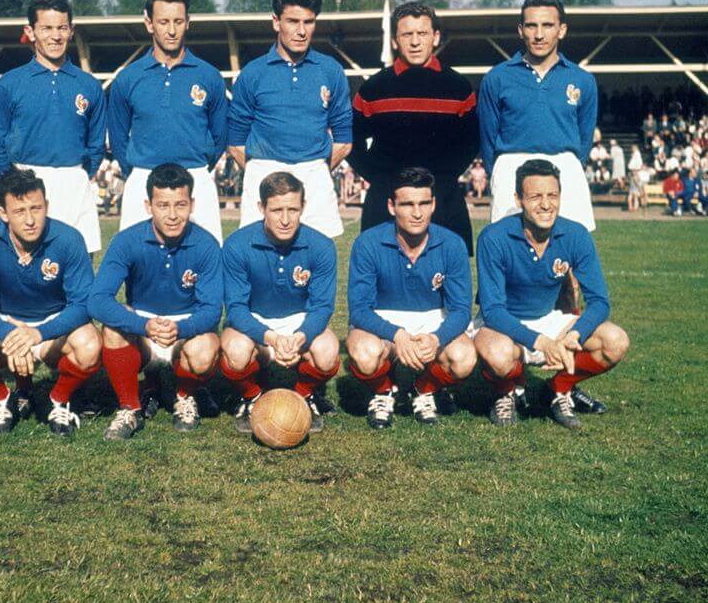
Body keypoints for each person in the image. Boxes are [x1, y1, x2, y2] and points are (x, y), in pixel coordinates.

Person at [474, 159, 630, 428]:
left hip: (549, 318)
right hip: (502, 323)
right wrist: (544, 343)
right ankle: (507, 392)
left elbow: (599, 302)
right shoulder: (493, 237)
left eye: (552, 195)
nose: (546, 205)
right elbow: (493, 311)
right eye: (535, 196)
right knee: (499, 355)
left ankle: (558, 388)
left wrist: (573, 336)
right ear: (518, 199)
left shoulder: (576, 234)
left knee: (615, 341)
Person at [0, 168, 101, 436]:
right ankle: (1, 397)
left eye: (36, 208)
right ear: (3, 214)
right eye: (20, 211)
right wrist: (11, 334)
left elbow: (83, 304)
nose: (30, 220)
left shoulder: (68, 239)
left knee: (90, 345)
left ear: (47, 206)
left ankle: (59, 400)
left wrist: (37, 334)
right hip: (5, 323)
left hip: (52, 324)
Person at [88, 163, 222, 440]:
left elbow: (211, 311)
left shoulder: (206, 244)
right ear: (149, 205)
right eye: (163, 205)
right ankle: (129, 406)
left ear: (192, 204)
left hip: (185, 329)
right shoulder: (127, 240)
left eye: (180, 205)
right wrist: (143, 324)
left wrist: (181, 330)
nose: (172, 215)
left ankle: (183, 396)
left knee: (208, 346)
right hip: (143, 330)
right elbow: (97, 300)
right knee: (112, 327)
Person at [345, 167, 475, 429]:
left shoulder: (452, 243)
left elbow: (461, 310)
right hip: (384, 317)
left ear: (433, 204)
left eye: (424, 203)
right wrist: (397, 335)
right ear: (392, 206)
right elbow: (359, 310)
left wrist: (436, 338)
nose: (417, 213)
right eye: (407, 204)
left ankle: (424, 390)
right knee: (364, 353)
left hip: (433, 319)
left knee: (464, 358)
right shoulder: (368, 242)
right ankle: (383, 392)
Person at [349, 2, 479, 254]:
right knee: (383, 276)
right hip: (386, 200)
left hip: (443, 198)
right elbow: (351, 139)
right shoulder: (374, 88)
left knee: (448, 279)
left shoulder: (459, 87)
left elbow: (471, 141)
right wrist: (378, 177)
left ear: (436, 37)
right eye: (407, 34)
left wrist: (444, 177)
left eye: (422, 33)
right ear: (395, 40)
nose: (415, 42)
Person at [0, 0, 106, 253]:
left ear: (71, 31)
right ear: (30, 31)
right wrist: (15, 184)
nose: (56, 36)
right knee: (29, 267)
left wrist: (81, 174)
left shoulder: (88, 85)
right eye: (47, 28)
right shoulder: (11, 83)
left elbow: (95, 145)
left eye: (62, 28)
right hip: (26, 182)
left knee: (78, 266)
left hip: (73, 181)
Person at [227, 0, 352, 238]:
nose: (301, 31)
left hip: (314, 176)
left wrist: (315, 168)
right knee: (260, 261)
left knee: (318, 260)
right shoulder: (252, 73)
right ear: (276, 22)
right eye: (293, 21)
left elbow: (344, 139)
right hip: (264, 173)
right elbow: (235, 142)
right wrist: (263, 173)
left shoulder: (331, 71)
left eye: (309, 22)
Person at [219, 171, 340, 434]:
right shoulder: (237, 245)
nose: (285, 220)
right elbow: (236, 308)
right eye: (276, 210)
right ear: (262, 207)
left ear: (303, 207)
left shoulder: (321, 246)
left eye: (293, 210)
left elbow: (322, 307)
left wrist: (300, 336)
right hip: (254, 319)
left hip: (299, 319)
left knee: (328, 352)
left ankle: (304, 395)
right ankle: (251, 397)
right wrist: (271, 338)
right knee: (236, 354)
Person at [108, 0, 228, 243]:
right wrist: (138, 171)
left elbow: (219, 136)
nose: (171, 30)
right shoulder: (128, 78)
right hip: (143, 176)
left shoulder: (209, 76)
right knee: (138, 262)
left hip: (195, 176)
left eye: (178, 21)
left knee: (206, 261)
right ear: (149, 23)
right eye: (163, 21)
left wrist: (196, 167)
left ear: (188, 23)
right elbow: (118, 137)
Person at [478, 0, 598, 231]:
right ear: (521, 30)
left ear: (561, 30)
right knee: (511, 250)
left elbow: (584, 138)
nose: (539, 34)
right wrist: (501, 174)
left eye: (548, 25)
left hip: (564, 169)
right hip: (511, 168)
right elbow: (487, 138)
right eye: (532, 25)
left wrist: (566, 163)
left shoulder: (582, 80)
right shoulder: (497, 77)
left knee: (568, 250)